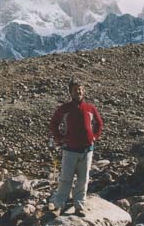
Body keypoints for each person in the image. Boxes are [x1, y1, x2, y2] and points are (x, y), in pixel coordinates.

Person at [48, 77, 103, 217]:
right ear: (70, 93)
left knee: (83, 179)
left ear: (83, 91)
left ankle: (79, 205)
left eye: (80, 89)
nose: (78, 92)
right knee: (66, 178)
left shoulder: (90, 108)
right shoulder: (64, 109)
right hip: (70, 150)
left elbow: (99, 123)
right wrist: (60, 139)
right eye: (75, 90)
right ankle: (59, 205)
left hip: (87, 150)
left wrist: (94, 137)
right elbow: (54, 124)